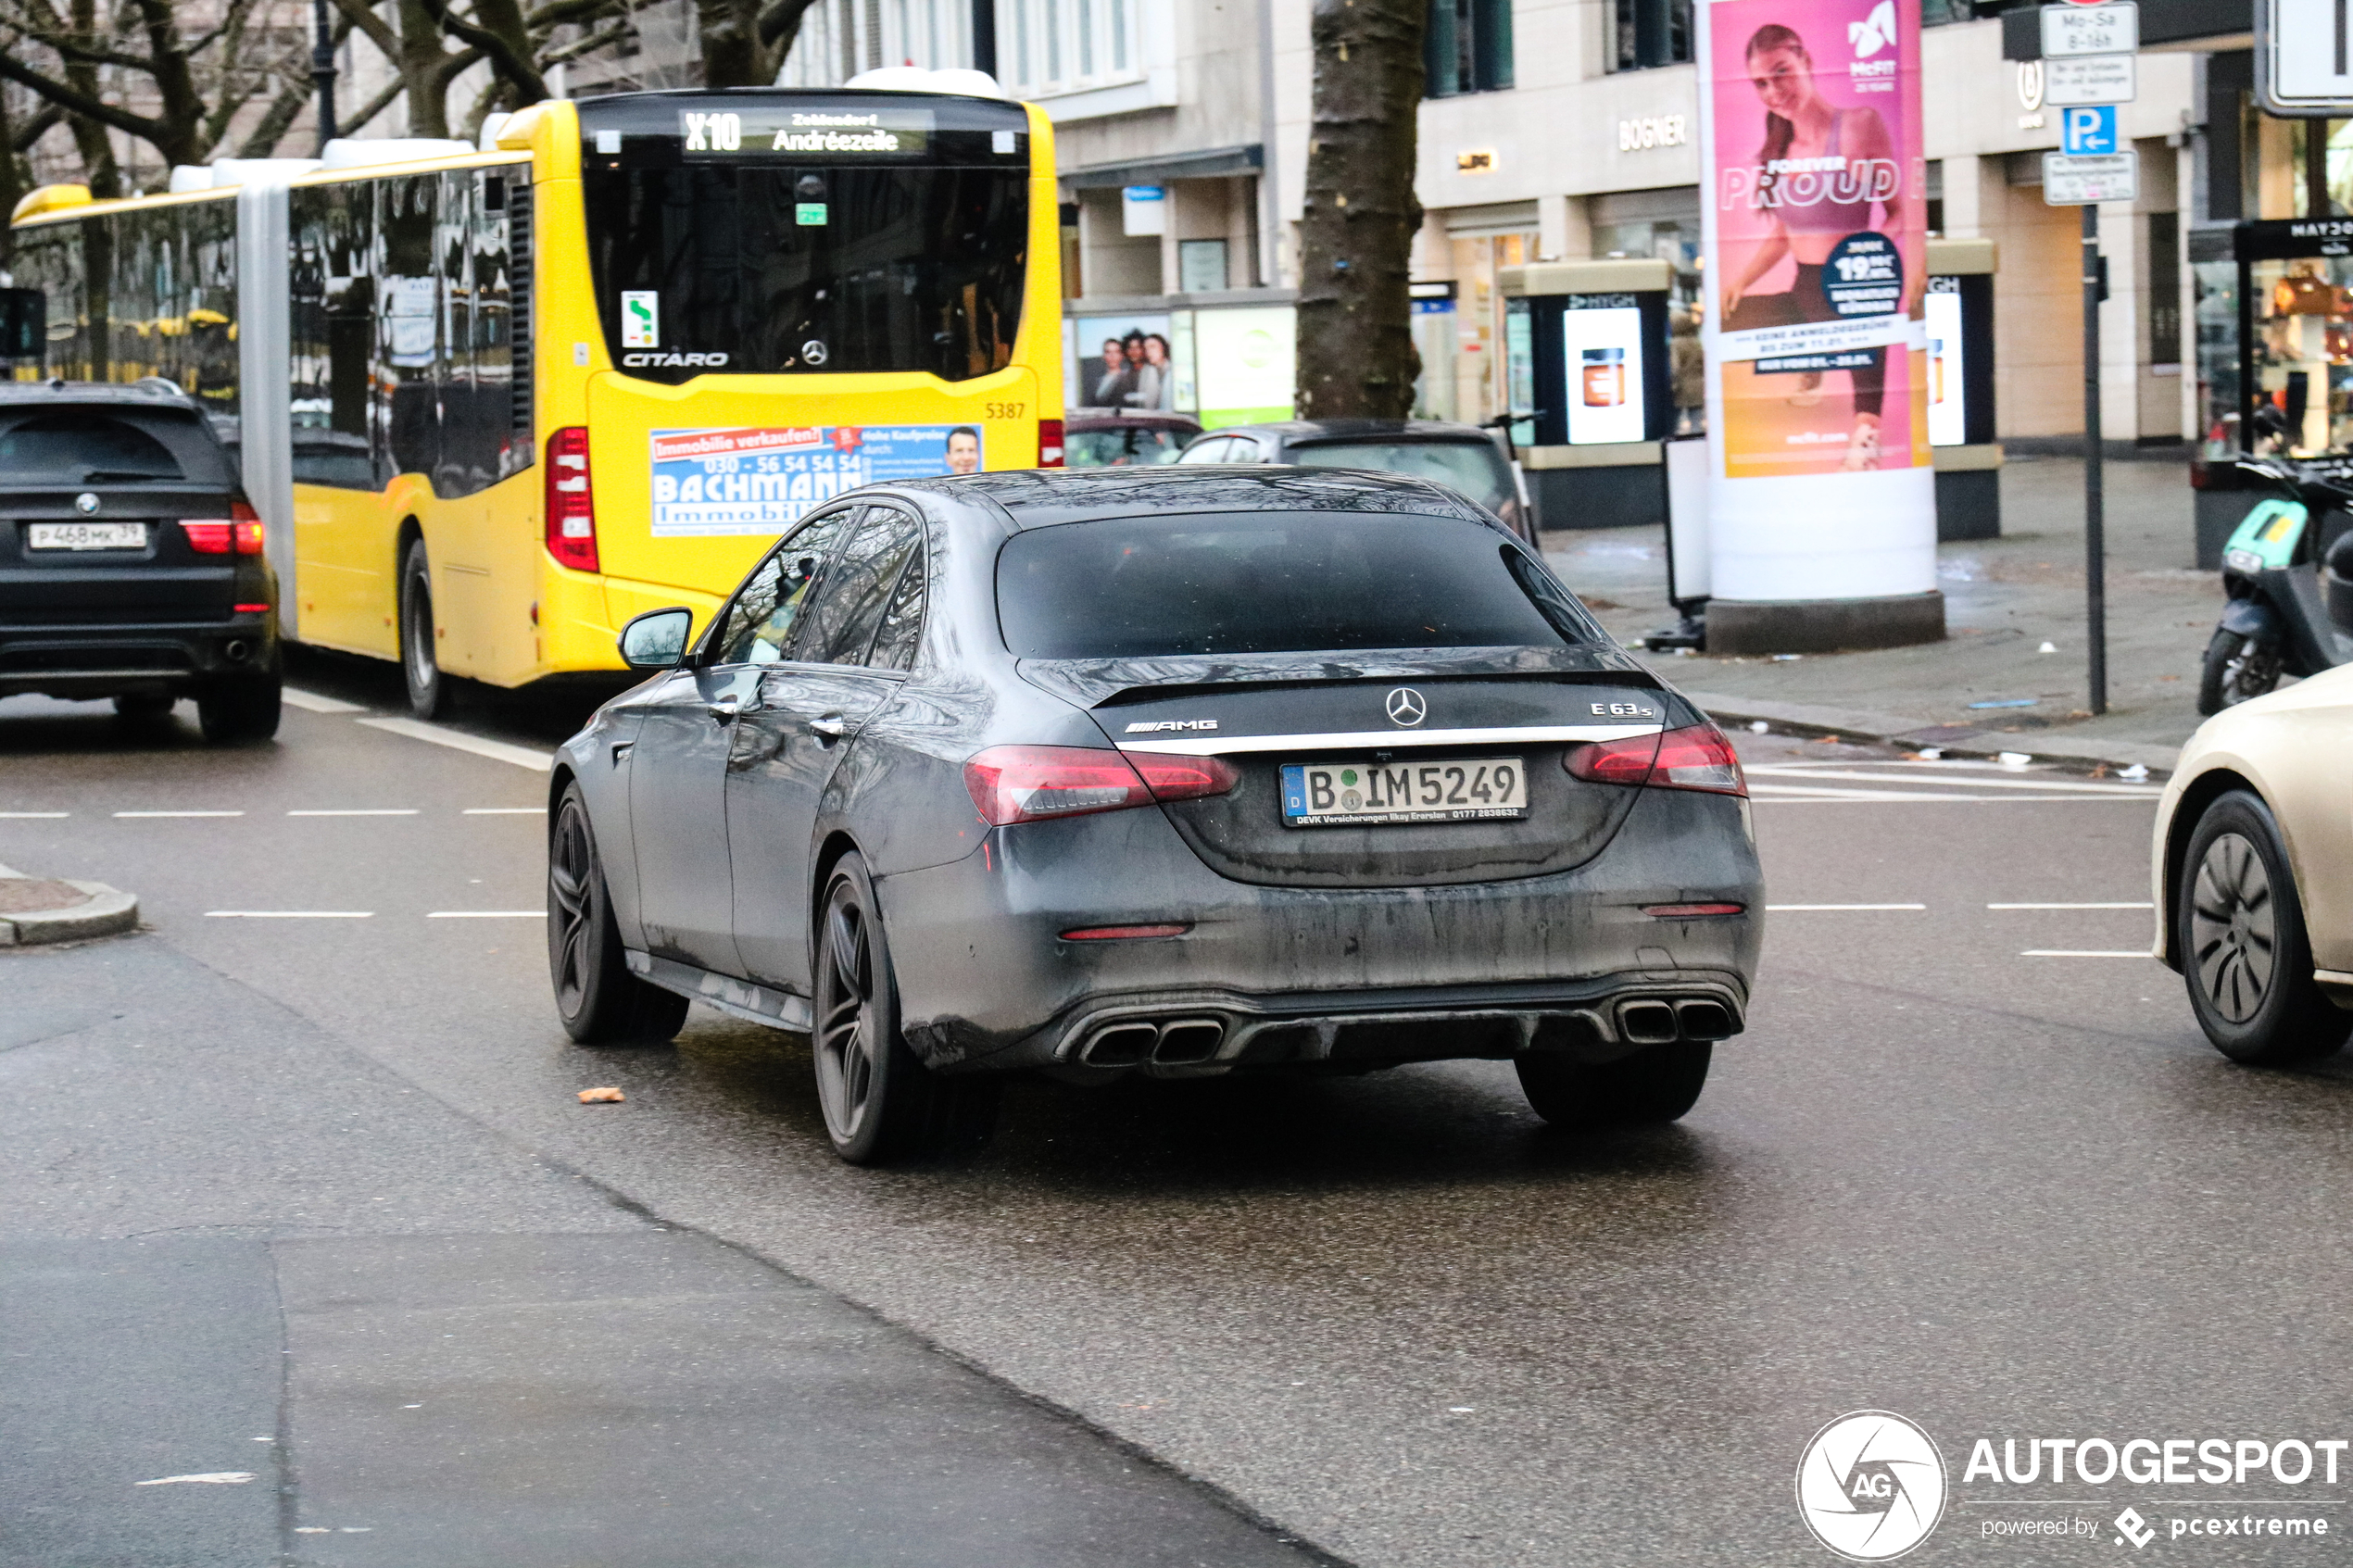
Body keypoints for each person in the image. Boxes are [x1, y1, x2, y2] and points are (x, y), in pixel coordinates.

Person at [1718, 22, 1919, 471]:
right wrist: (1740, 281)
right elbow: (1784, 234)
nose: (1773, 91)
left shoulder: (1860, 124)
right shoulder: (1781, 151)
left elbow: (1898, 211)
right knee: (1727, 318)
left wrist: (1871, 255)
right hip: (1804, 287)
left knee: (1869, 325)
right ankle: (1806, 361)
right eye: (1761, 83)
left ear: (1807, 61)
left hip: (1853, 283)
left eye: (1782, 73)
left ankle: (1865, 437)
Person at [1088, 338, 1130, 407]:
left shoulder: (1127, 379)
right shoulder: (1097, 382)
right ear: (1103, 356)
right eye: (1108, 352)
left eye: (1116, 352)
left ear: (1122, 355)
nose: (1112, 356)